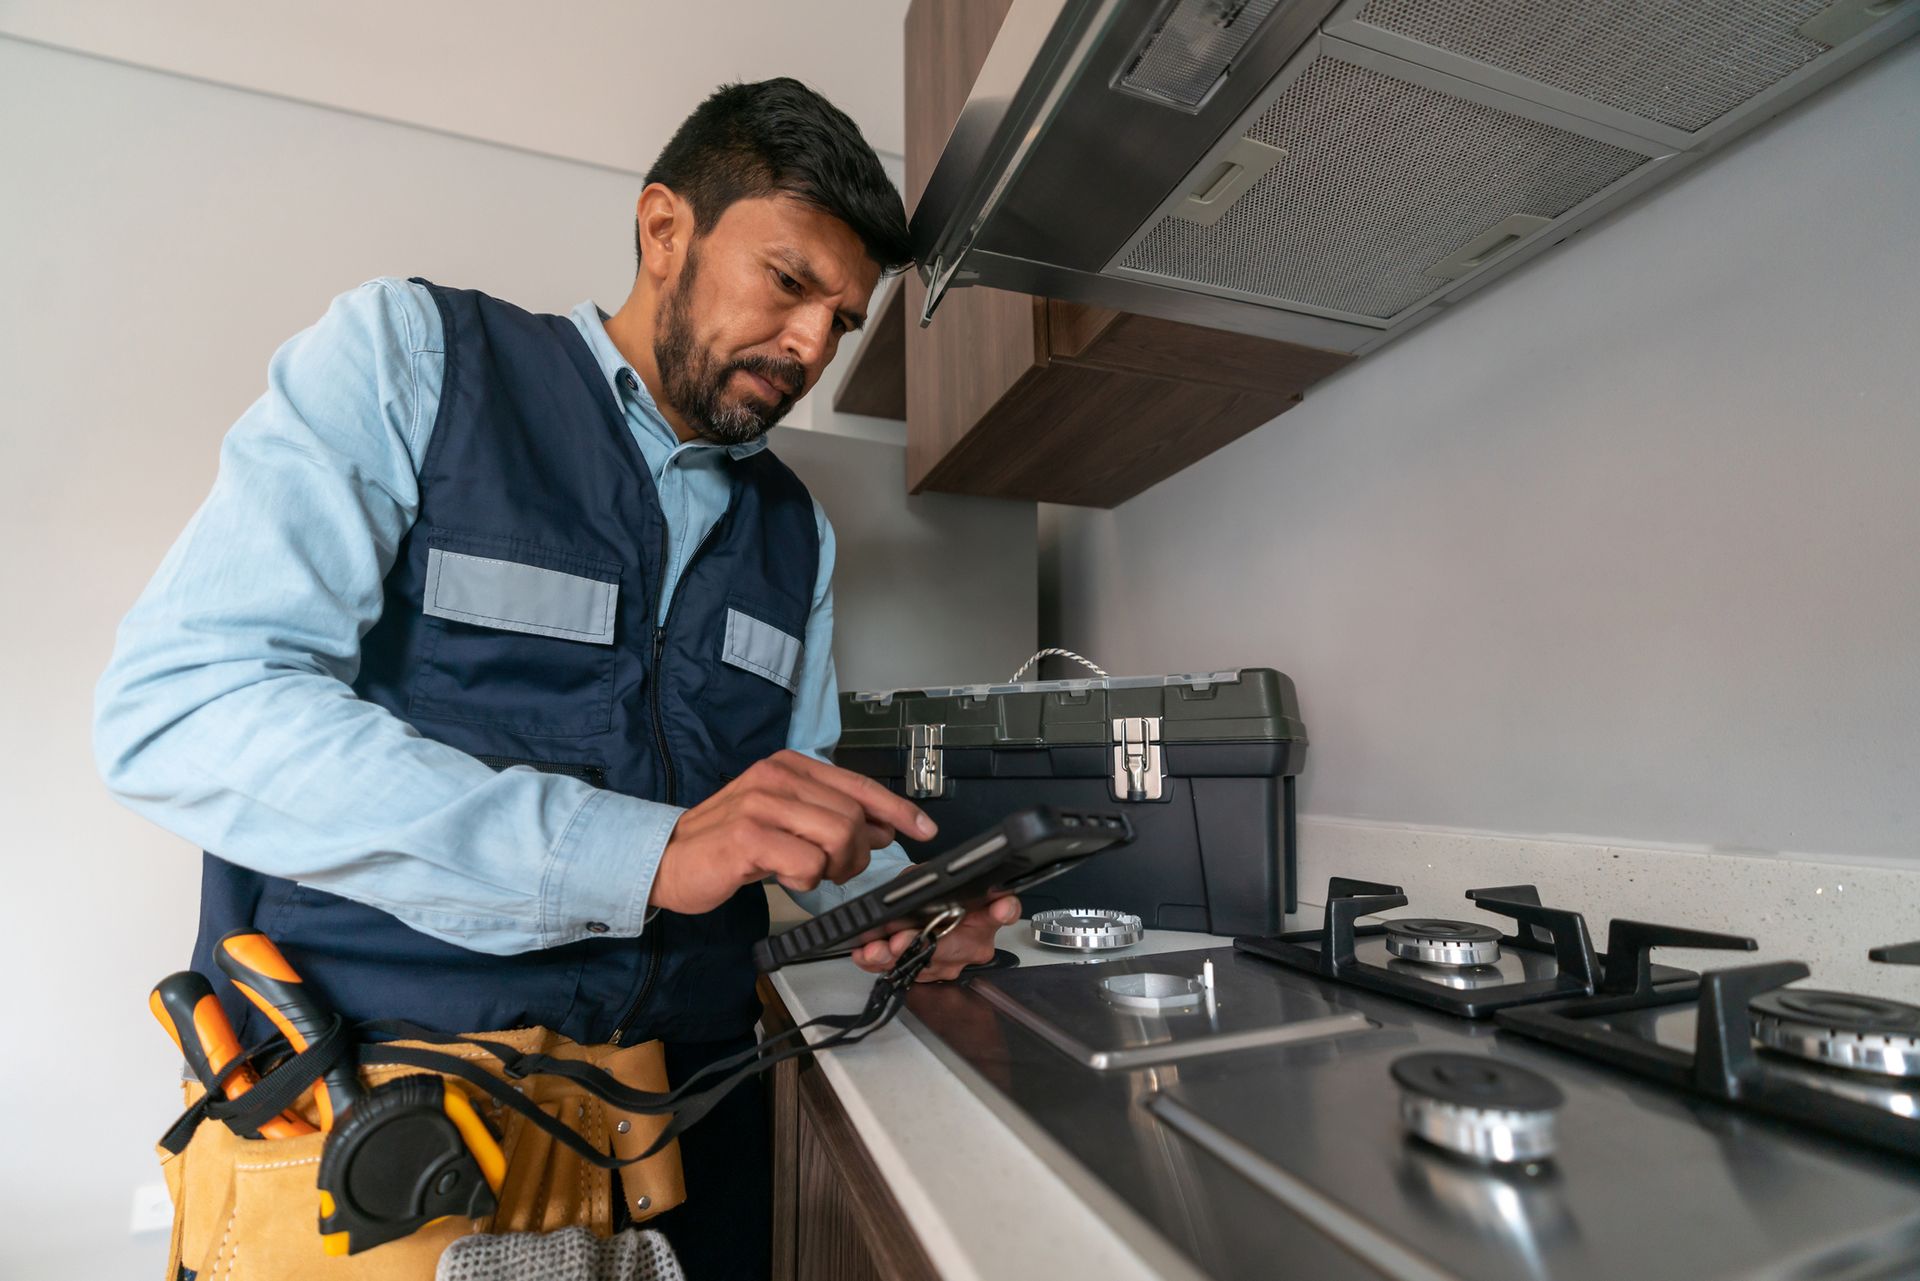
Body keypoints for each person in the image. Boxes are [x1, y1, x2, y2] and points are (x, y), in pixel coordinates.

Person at [94, 77, 1015, 1278]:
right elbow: (185, 708)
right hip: (391, 1143)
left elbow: (783, 805)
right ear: (664, 229)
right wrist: (640, 853)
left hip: (691, 1141)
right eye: (789, 284)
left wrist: (900, 903)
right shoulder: (414, 359)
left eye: (840, 322)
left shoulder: (798, 530)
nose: (810, 350)